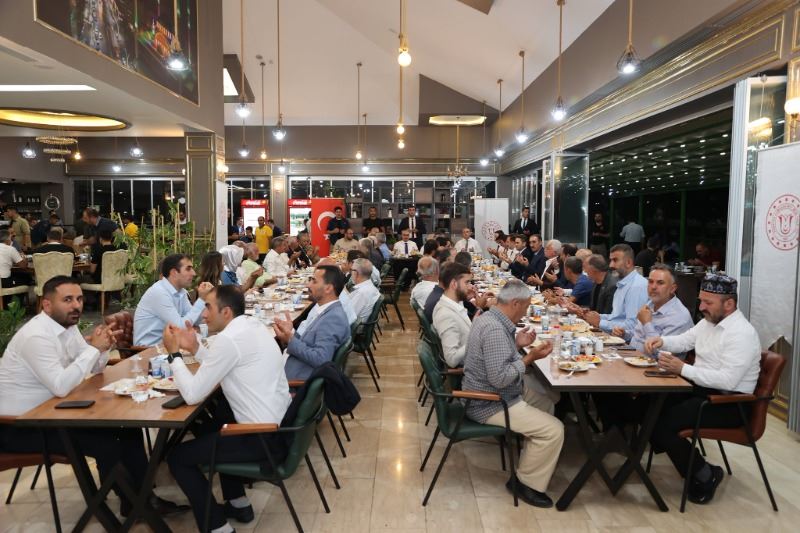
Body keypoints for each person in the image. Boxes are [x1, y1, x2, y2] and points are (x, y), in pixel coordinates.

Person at [0, 276, 186, 518]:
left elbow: (94, 368)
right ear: (47, 304)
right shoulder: (36, 337)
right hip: (19, 427)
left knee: (128, 430)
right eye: (67, 300)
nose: (76, 305)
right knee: (107, 443)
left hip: (53, 413)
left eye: (79, 299)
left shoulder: (68, 328)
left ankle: (140, 500)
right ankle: (131, 505)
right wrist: (93, 349)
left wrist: (104, 348)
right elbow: (61, 386)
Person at [164, 285, 291, 532]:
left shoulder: (229, 339)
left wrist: (174, 355)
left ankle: (218, 527)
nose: (203, 314)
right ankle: (238, 503)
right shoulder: (252, 326)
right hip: (279, 429)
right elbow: (226, 363)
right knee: (215, 424)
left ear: (226, 312)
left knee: (178, 458)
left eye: (208, 307)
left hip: (261, 437)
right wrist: (195, 348)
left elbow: (192, 395)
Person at [644, 274, 761, 505]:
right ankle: (692, 466)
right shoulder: (708, 322)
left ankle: (705, 474)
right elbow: (684, 340)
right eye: (701, 301)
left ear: (729, 304)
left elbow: (728, 381)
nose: (701, 307)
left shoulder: (742, 334)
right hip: (702, 391)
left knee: (662, 423)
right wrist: (661, 341)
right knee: (650, 406)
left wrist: (682, 368)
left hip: (729, 404)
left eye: (708, 302)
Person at [462, 280, 564, 508]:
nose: (526, 312)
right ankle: (525, 484)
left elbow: (496, 360)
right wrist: (529, 358)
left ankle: (533, 460)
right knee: (554, 430)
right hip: (490, 402)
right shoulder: (495, 329)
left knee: (547, 403)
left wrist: (516, 345)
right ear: (515, 303)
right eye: (526, 307)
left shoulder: (490, 318)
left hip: (496, 392)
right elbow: (500, 378)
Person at [277, 265, 351, 380]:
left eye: (314, 281)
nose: (308, 285)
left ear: (328, 288)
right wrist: (291, 333)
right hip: (291, 370)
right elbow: (309, 343)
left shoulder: (333, 318)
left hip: (294, 381)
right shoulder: (327, 311)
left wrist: (291, 340)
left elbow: (321, 359)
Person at [133, 254, 213, 346]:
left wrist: (206, 300)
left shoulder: (181, 292)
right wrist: (201, 299)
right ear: (174, 272)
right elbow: (181, 328)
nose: (194, 273)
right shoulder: (159, 292)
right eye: (188, 269)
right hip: (148, 349)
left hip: (169, 346)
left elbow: (196, 321)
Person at [618, 263, 694, 351]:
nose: (653, 287)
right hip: (630, 355)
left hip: (650, 360)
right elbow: (639, 335)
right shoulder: (650, 303)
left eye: (660, 283)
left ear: (672, 289)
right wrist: (625, 334)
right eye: (650, 282)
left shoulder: (679, 316)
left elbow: (662, 354)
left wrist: (647, 324)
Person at [583, 244, 648, 334]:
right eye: (610, 260)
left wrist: (600, 322)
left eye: (615, 260)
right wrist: (598, 316)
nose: (610, 265)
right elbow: (617, 317)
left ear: (628, 263)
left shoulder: (637, 286)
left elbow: (633, 325)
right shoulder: (622, 283)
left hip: (630, 341)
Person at [432, 261, 473, 367]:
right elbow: (451, 359)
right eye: (467, 283)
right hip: (473, 366)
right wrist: (476, 336)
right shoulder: (446, 315)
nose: (470, 287)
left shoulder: (453, 303)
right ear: (454, 284)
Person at [347, 258, 381, 324]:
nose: (350, 273)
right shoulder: (369, 286)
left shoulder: (361, 293)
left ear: (356, 273)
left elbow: (347, 318)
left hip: (354, 327)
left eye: (351, 270)